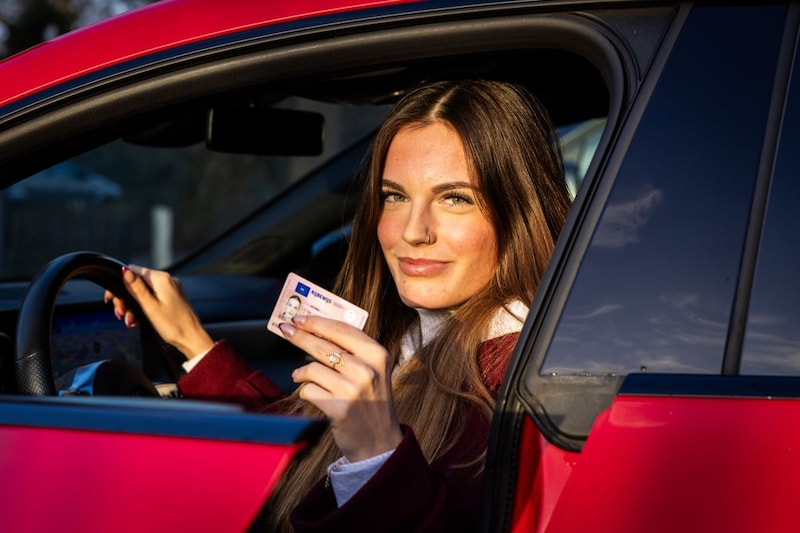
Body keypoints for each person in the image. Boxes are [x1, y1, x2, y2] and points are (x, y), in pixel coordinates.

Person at [105, 79, 571, 531]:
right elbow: (304, 452)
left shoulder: (519, 385)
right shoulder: (415, 336)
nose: (413, 231)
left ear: (516, 212)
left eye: (454, 198)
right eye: (395, 196)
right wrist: (191, 341)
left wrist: (376, 453)